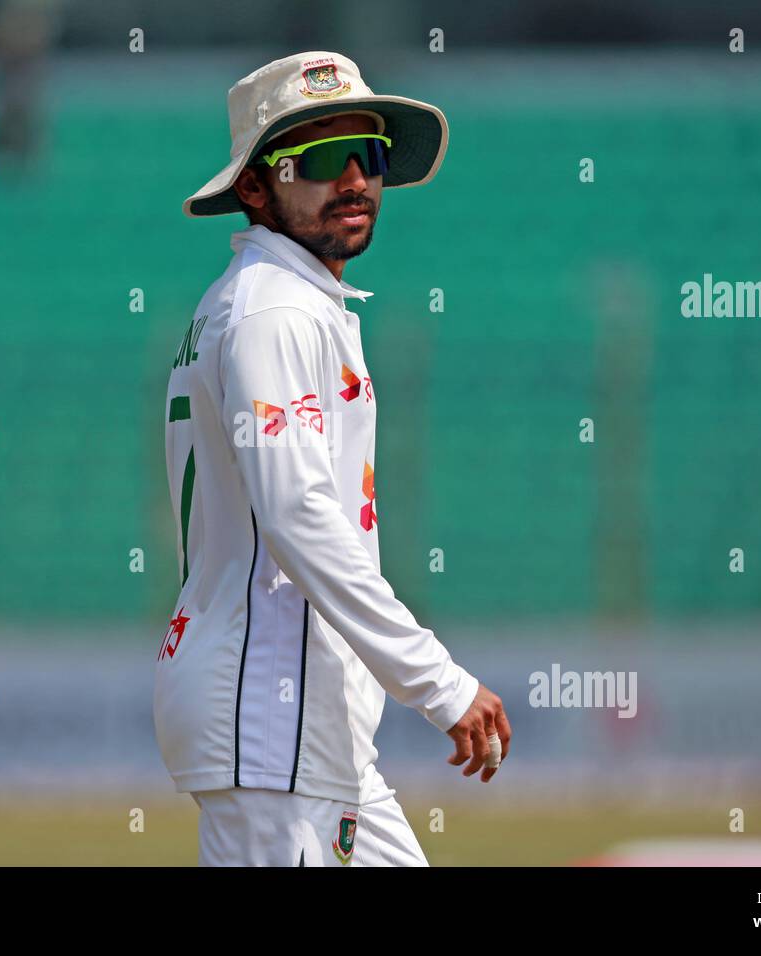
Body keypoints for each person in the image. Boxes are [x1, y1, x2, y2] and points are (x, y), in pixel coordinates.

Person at [156, 51, 510, 867]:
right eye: (319, 158)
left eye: (370, 154)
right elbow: (298, 517)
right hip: (268, 706)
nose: (353, 179)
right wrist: (440, 683)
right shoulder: (274, 311)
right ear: (254, 187)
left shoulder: (288, 302)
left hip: (302, 722)